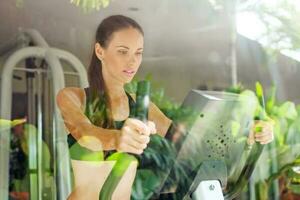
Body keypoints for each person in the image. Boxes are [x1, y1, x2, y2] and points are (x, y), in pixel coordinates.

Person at [56, 15, 273, 200]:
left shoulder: (141, 106)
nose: (132, 61)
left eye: (138, 52)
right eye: (123, 51)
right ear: (100, 51)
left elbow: (187, 142)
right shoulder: (73, 97)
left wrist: (247, 134)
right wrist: (117, 138)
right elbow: (85, 133)